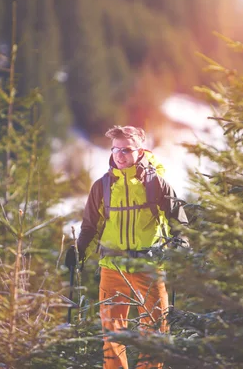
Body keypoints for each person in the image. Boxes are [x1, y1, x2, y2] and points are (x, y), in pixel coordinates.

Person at [76, 125, 188, 369]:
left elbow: (178, 220)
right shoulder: (102, 185)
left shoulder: (157, 183)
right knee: (112, 333)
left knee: (155, 330)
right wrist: (79, 252)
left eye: (126, 149)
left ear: (140, 151)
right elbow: (90, 226)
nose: (119, 155)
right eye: (115, 149)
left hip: (148, 266)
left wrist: (181, 245)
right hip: (112, 268)